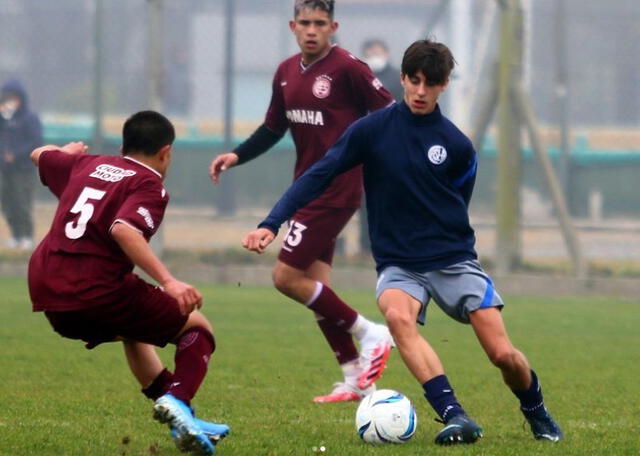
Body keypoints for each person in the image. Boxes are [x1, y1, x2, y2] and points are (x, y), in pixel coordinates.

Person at [243, 39, 563, 445]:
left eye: (430, 83)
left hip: (454, 260)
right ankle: (456, 416)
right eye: (413, 81)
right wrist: (272, 222)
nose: (419, 91)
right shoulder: (371, 131)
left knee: (503, 356)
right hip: (399, 264)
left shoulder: (457, 145)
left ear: (444, 85)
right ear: (404, 80)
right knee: (397, 318)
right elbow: (319, 174)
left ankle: (535, 408)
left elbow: (457, 199)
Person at [209, 0, 396, 404]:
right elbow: (273, 127)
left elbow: (390, 114)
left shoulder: (348, 67)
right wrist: (236, 155)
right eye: (305, 23)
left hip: (339, 186)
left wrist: (381, 164)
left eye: (320, 23)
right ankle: (356, 379)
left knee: (286, 278)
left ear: (333, 26)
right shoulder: (285, 72)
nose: (312, 30)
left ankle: (371, 333)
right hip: (307, 187)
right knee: (316, 286)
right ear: (293, 26)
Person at [28, 111, 229, 456]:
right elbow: (123, 228)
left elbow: (38, 153)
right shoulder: (148, 184)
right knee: (197, 326)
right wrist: (169, 281)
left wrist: (68, 151)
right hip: (94, 289)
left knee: (135, 330)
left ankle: (185, 418)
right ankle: (179, 400)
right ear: (166, 152)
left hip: (48, 288)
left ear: (123, 146)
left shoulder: (88, 164)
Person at [0, 79, 42, 250]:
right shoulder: (3, 119)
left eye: (13, 98)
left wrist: (16, 155)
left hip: (23, 170)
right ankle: (16, 236)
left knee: (22, 203)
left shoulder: (29, 119)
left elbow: (35, 141)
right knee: (7, 203)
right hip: (4, 169)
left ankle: (27, 237)